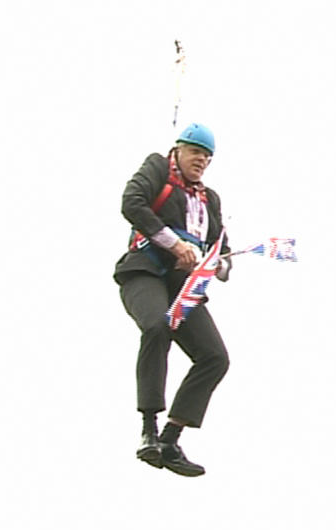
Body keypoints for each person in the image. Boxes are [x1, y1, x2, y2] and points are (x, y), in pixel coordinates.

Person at [114, 122, 232, 477]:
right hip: (146, 271)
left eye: (207, 157)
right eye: (196, 153)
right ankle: (148, 430)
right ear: (179, 150)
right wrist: (174, 243)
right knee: (156, 326)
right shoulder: (156, 168)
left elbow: (220, 247)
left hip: (184, 285)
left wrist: (221, 263)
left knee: (215, 357)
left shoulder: (209, 199)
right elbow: (131, 203)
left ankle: (170, 438)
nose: (202, 161)